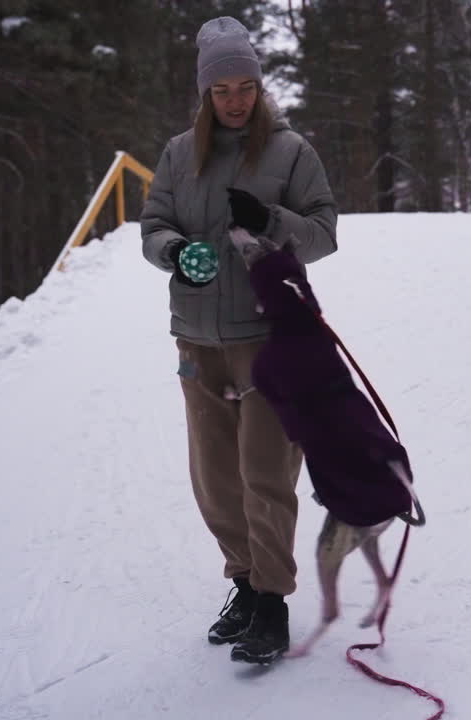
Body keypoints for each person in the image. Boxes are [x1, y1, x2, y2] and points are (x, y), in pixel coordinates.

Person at [139, 16, 337, 664]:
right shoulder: (177, 154)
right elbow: (153, 225)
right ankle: (246, 586)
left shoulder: (290, 152)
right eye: (220, 89)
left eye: (243, 85)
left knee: (265, 474)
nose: (233, 100)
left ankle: (273, 605)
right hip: (198, 340)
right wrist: (174, 251)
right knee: (216, 481)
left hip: (271, 338)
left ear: (258, 84)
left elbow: (324, 232)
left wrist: (273, 221)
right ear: (204, 93)